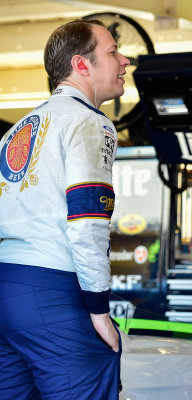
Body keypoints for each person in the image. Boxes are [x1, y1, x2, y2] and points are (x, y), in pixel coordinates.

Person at [0, 19, 130, 399]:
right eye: (112, 52)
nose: (124, 61)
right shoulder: (90, 123)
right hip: (56, 292)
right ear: (82, 65)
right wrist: (99, 309)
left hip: (7, 293)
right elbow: (87, 222)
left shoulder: (16, 130)